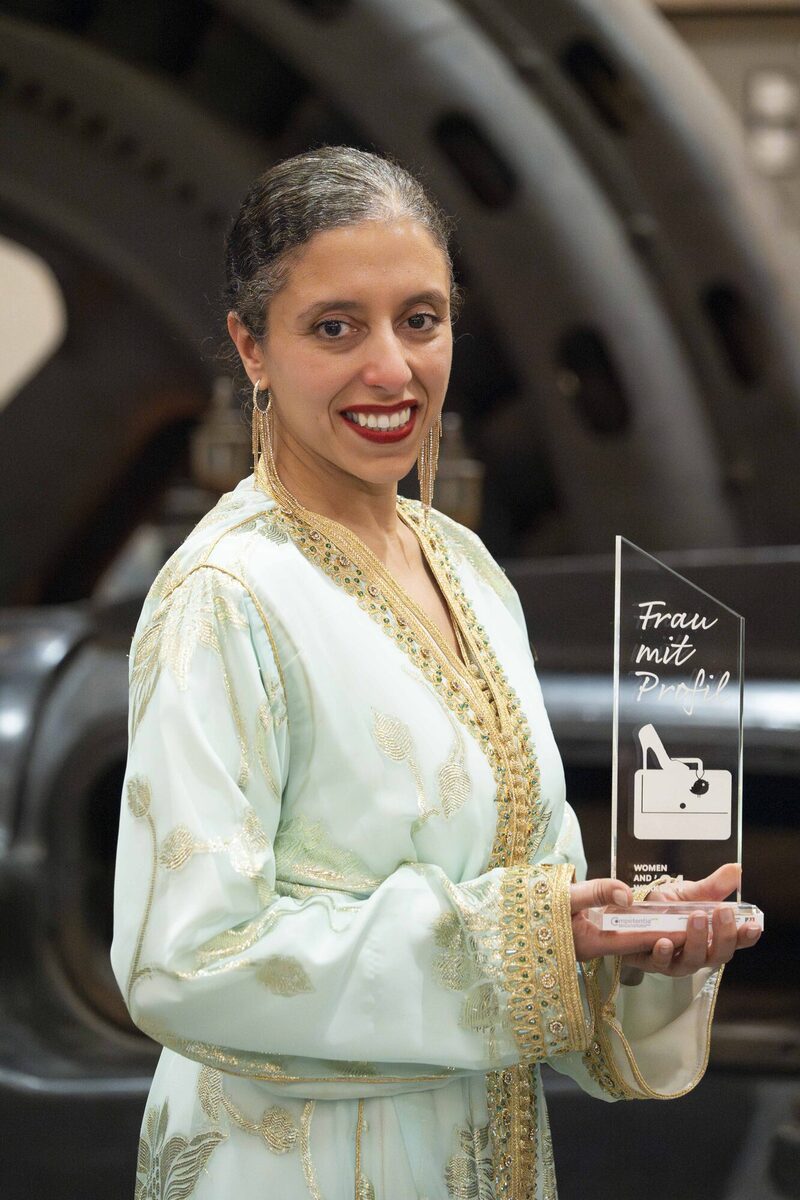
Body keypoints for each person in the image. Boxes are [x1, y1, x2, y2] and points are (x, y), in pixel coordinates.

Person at [110, 145, 760, 1200]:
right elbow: (183, 963)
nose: (391, 369)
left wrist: (627, 945)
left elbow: (534, 906)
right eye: (335, 328)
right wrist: (524, 941)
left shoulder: (468, 571)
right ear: (251, 348)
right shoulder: (225, 596)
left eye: (420, 320)